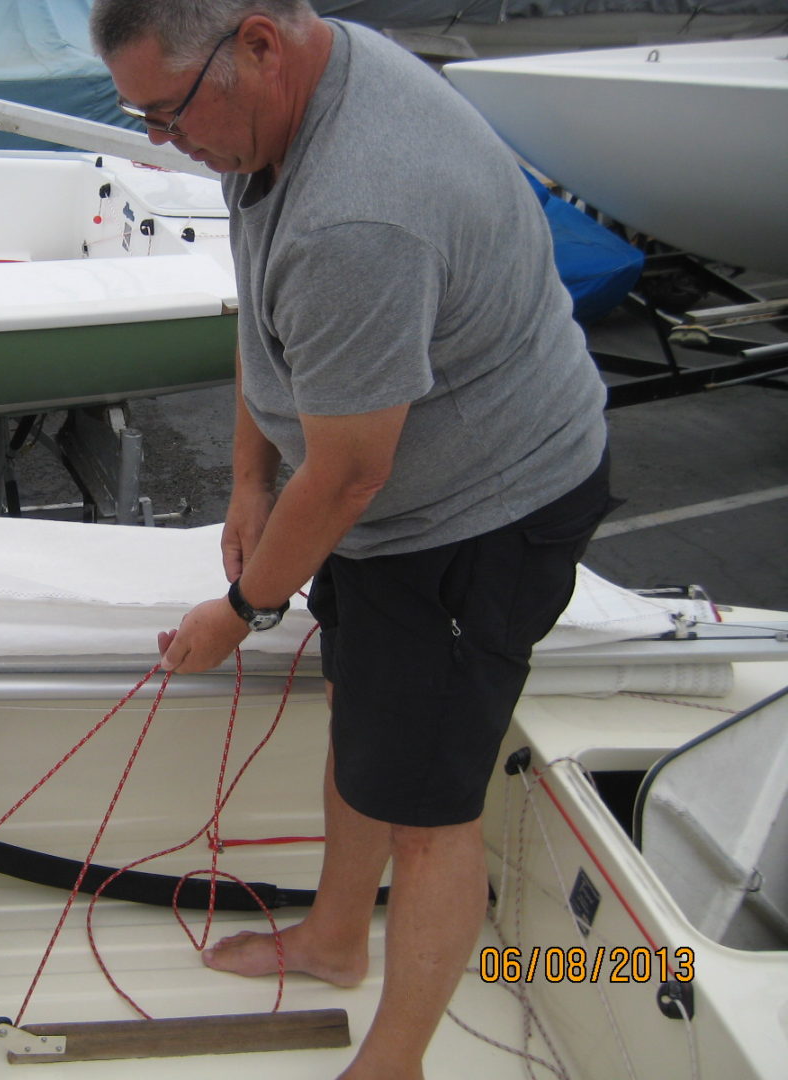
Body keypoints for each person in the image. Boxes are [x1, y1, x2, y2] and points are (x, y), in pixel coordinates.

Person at [90, 2, 614, 1077]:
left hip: (483, 516)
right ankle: (334, 942)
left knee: (431, 812)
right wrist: (246, 477)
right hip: (389, 509)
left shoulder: (358, 211)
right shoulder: (270, 105)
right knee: (362, 705)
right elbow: (264, 315)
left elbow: (351, 473)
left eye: (166, 112)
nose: (160, 139)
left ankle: (395, 1063)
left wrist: (237, 613)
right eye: (138, 114)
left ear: (260, 46)